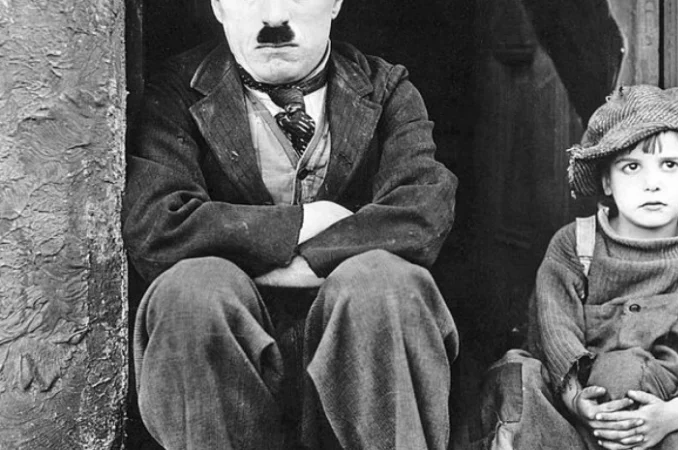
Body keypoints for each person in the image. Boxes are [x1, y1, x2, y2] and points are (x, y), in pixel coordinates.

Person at [122, 0, 459, 448]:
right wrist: (305, 223)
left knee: (383, 282)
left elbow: (423, 213)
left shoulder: (386, 87)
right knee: (191, 291)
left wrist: (297, 263)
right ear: (218, 6)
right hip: (228, 373)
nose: (274, 17)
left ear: (335, 3)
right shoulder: (177, 91)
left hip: (362, 365)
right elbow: (157, 225)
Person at [471, 85, 678, 450]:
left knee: (645, 399)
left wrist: (671, 416)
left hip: (654, 420)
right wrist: (575, 400)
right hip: (570, 413)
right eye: (631, 167)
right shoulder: (575, 245)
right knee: (517, 376)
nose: (652, 183)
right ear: (606, 182)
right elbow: (555, 332)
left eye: (670, 165)